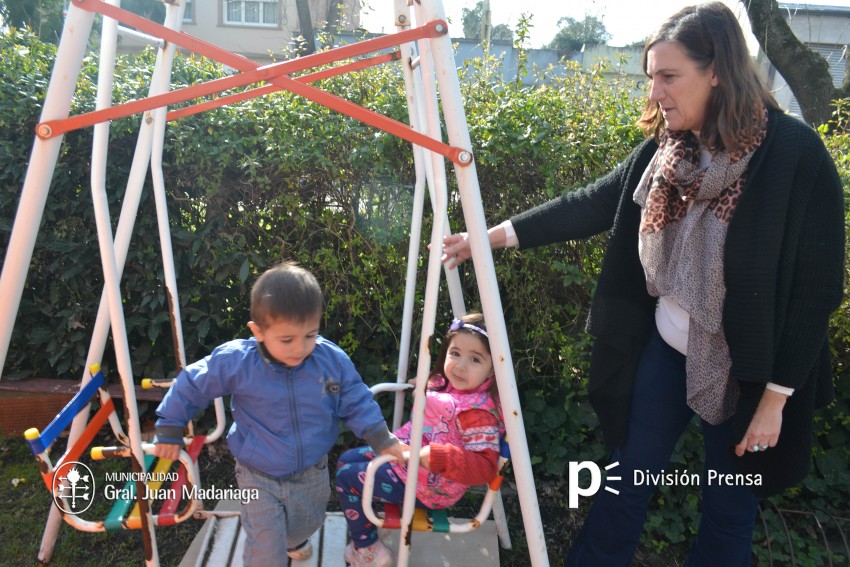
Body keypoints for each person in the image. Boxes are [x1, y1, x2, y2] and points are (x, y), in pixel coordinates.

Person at [441, 3, 845, 565]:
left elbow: (816, 293)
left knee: (728, 510)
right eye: (651, 76)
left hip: (749, 373)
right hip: (668, 349)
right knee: (624, 480)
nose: (655, 92)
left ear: (718, 71)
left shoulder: (796, 157)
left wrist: (775, 399)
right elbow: (593, 203)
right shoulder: (668, 151)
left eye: (669, 76)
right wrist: (490, 237)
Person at [153, 262, 406, 567]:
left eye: (310, 335)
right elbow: (193, 383)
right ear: (258, 331)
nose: (300, 348)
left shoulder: (330, 361)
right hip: (257, 474)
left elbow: (355, 399)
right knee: (266, 547)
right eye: (287, 339)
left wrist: (380, 438)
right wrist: (169, 424)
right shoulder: (238, 362)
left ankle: (293, 540)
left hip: (312, 471)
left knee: (305, 524)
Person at [335, 313, 505, 567]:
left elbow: (484, 468)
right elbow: (439, 395)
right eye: (455, 353)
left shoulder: (478, 414)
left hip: (430, 487)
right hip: (407, 461)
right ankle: (367, 531)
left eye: (475, 359)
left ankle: (368, 549)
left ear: (493, 368)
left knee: (346, 477)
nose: (460, 366)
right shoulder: (449, 384)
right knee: (346, 460)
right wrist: (423, 384)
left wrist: (441, 457)